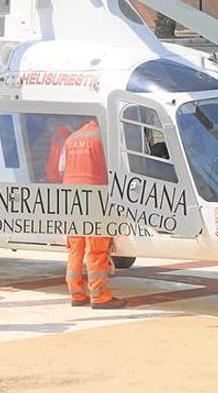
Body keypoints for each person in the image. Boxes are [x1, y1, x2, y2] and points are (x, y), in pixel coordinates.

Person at [61, 117, 127, 310]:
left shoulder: (72, 138)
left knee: (76, 246)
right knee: (96, 246)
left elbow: (61, 168)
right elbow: (116, 168)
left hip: (71, 195)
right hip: (95, 194)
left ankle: (77, 293)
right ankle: (99, 296)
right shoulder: (105, 137)